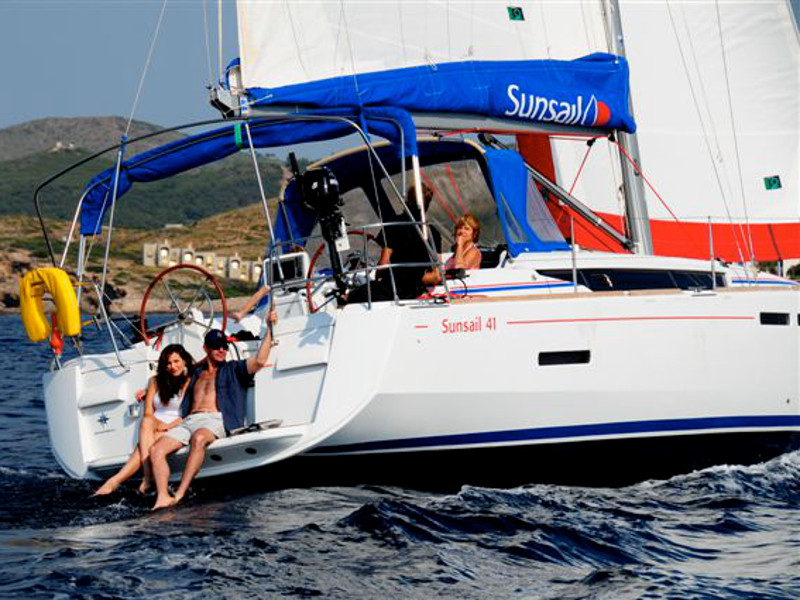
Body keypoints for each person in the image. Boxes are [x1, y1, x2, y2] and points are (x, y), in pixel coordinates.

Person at [149, 309, 278, 510]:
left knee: (199, 439)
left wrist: (269, 328)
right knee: (156, 450)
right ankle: (163, 496)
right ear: (206, 348)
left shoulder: (233, 368)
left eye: (224, 346)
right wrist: (148, 389)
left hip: (214, 420)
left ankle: (180, 494)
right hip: (188, 421)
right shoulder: (195, 372)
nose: (221, 350)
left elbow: (260, 361)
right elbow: (171, 377)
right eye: (216, 346)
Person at [93, 344, 194, 496]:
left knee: (143, 446)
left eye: (176, 361)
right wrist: (158, 424)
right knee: (146, 421)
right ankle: (146, 477)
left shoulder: (190, 381)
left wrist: (168, 426)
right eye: (168, 363)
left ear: (184, 361)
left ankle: (115, 481)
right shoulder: (155, 381)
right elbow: (148, 412)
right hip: (154, 423)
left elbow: (188, 413)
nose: (172, 366)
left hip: (177, 425)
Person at [346, 184, 441, 302]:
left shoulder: (393, 225)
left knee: (348, 296)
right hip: (416, 291)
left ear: (406, 201)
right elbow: (437, 275)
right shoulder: (433, 232)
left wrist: (378, 276)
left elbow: (384, 263)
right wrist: (415, 279)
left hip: (392, 289)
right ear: (426, 206)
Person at [426, 213, 483, 286]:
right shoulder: (455, 253)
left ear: (474, 234)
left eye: (466, 229)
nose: (462, 231)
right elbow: (437, 260)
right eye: (460, 228)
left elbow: (459, 270)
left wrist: (460, 245)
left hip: (464, 287)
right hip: (448, 285)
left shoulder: (474, 252)